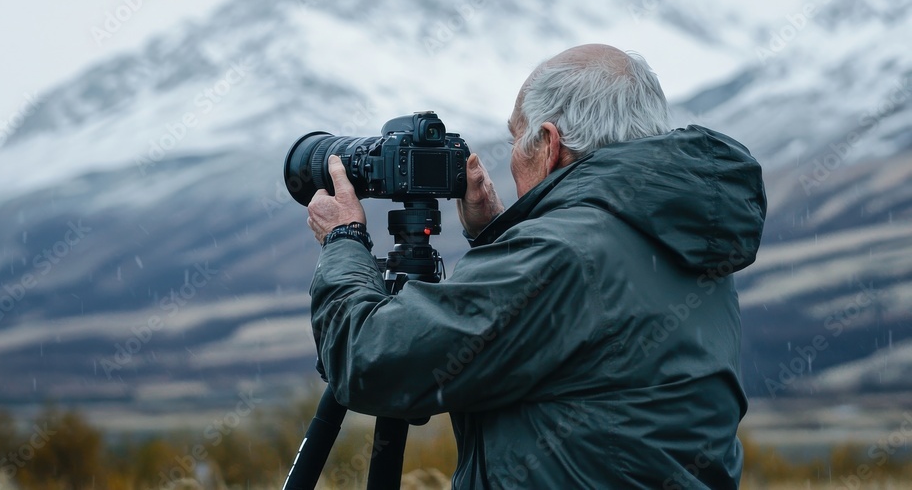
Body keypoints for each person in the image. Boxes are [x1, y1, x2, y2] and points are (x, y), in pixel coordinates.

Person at [306, 43, 766, 488]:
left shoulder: (565, 254)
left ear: (548, 144)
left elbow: (370, 361)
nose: (511, 156)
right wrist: (500, 235)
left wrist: (344, 240)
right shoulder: (684, 235)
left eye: (515, 138)